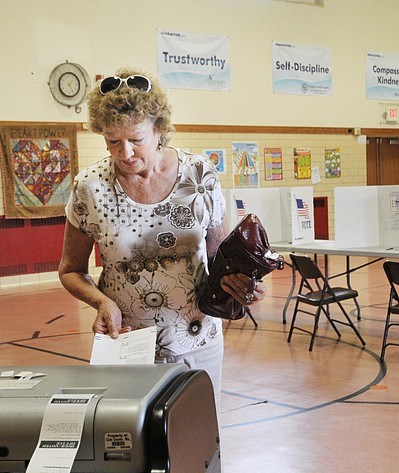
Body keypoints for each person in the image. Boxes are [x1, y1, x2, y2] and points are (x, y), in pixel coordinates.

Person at [58, 67, 266, 409]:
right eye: (112, 141)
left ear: (159, 130)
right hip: (126, 344)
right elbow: (70, 270)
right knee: (130, 446)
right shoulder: (90, 187)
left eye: (136, 139)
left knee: (197, 443)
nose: (124, 153)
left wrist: (245, 284)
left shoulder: (200, 175)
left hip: (198, 340)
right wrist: (101, 302)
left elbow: (220, 262)